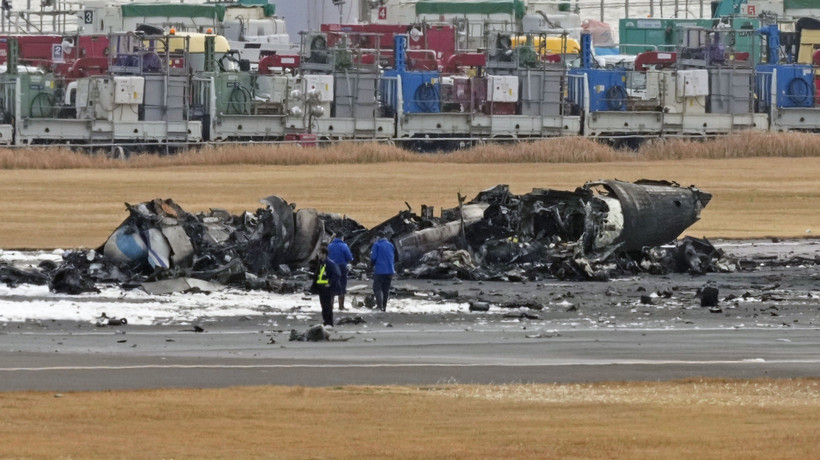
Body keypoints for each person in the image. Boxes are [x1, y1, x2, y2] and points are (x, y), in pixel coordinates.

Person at [310, 245, 341, 327]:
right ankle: (326, 321)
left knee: (327, 305)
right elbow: (318, 275)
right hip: (321, 287)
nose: (318, 255)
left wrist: (330, 283)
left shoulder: (330, 263)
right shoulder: (321, 263)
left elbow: (337, 274)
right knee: (323, 305)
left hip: (328, 288)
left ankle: (329, 322)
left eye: (319, 253)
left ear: (324, 254)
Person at [370, 234, 395, 311]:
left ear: (378, 237)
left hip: (380, 270)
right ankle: (384, 306)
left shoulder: (377, 245)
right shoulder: (391, 245)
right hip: (390, 270)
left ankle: (379, 305)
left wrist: (371, 265)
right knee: (386, 289)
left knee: (376, 288)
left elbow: (373, 257)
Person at [327, 237, 353, 311]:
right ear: (342, 237)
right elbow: (349, 257)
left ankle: (330, 306)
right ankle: (341, 306)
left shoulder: (330, 246)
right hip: (341, 267)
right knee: (342, 285)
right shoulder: (344, 246)